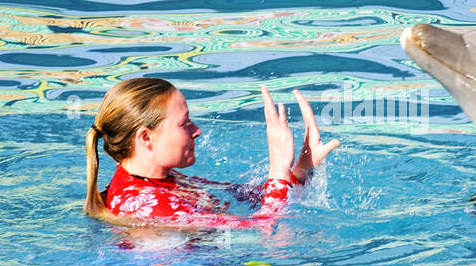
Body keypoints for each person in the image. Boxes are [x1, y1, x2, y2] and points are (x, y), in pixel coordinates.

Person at [84, 77, 340, 228]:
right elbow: (268, 233)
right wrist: (277, 169)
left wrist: (299, 170)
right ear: (146, 137)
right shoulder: (151, 206)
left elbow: (252, 200)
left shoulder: (160, 183)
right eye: (185, 123)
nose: (197, 131)